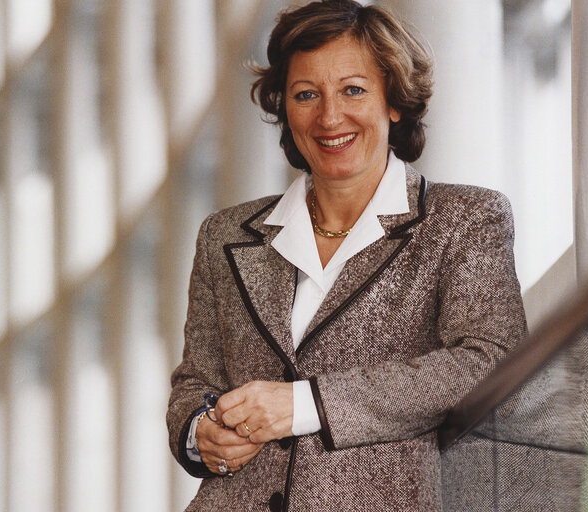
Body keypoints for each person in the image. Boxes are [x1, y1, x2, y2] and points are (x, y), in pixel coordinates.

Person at [166, 1, 527, 510]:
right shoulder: (224, 235)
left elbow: (492, 362)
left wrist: (304, 405)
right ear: (284, 109)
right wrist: (200, 432)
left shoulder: (464, 219)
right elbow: (196, 381)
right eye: (306, 94)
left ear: (394, 100)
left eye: (353, 89)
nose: (330, 116)